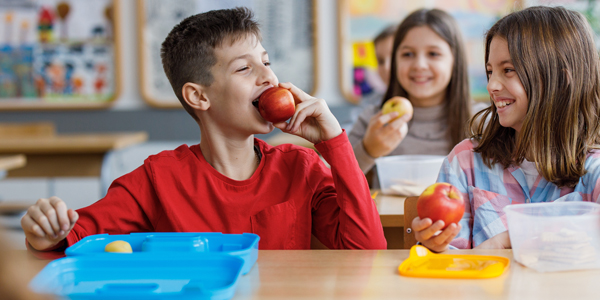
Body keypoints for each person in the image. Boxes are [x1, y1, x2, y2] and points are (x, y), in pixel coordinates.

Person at [20, 7, 387, 258]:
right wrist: (45, 233)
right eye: (244, 69)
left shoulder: (301, 166)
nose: (268, 78)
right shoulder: (157, 178)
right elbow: (72, 238)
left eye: (267, 62)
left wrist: (333, 140)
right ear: (199, 96)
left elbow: (365, 251)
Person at [412, 6, 600, 252]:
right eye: (490, 72)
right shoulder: (466, 162)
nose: (492, 85)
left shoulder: (594, 171)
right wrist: (435, 246)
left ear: (563, 81)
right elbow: (450, 266)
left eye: (508, 70)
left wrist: (509, 239)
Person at [348, 9, 484, 188]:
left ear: (455, 61)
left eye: (433, 54)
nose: (419, 65)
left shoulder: (481, 122)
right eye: (408, 54)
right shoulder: (373, 121)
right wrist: (368, 150)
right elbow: (331, 184)